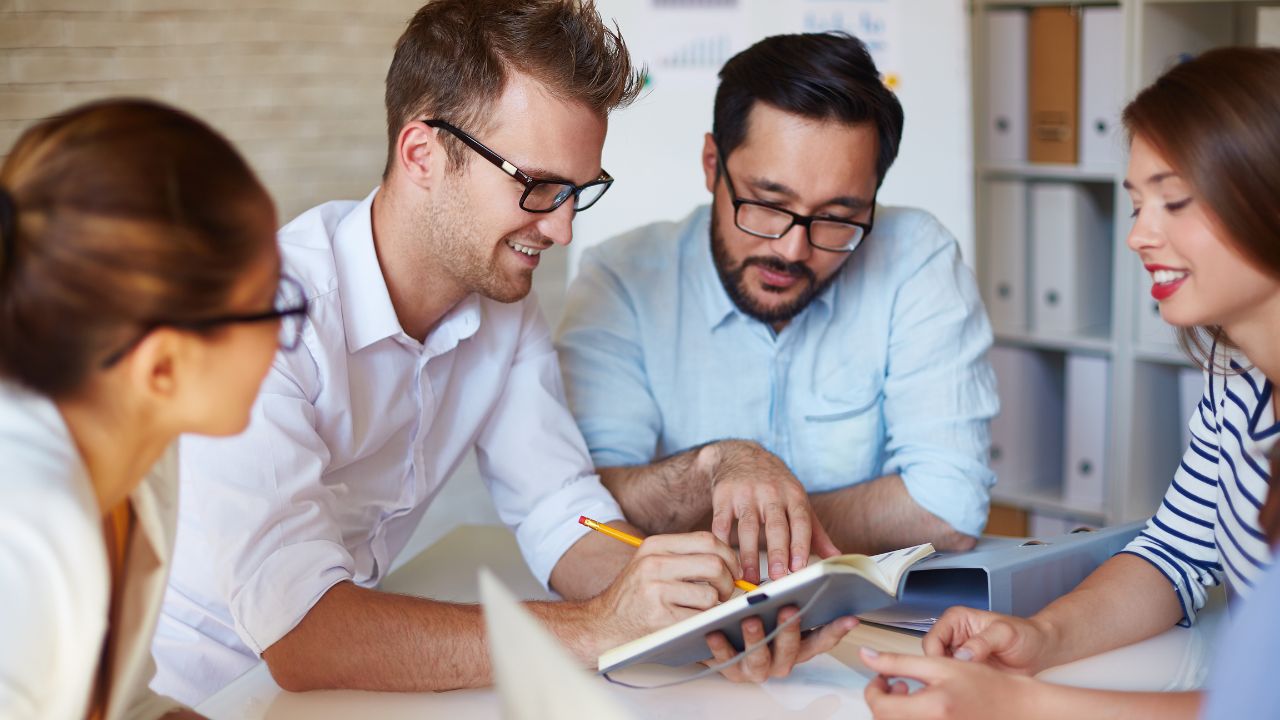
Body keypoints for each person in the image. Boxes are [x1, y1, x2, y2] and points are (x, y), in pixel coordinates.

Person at [151, 0, 856, 705]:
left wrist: (708, 609)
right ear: (422, 154)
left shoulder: (499, 305)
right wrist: (595, 626)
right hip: (182, 694)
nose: (563, 230)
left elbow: (559, 509)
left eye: (579, 192)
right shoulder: (256, 318)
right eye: (538, 188)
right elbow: (305, 639)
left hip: (329, 689)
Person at [857, 46, 1280, 719]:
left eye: (1174, 201)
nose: (1140, 235)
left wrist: (1020, 705)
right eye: (1138, 204)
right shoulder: (1238, 387)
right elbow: (1172, 555)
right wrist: (1039, 638)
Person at [556, 31, 997, 584]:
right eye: (768, 205)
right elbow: (594, 507)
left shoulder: (916, 257)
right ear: (712, 165)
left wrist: (758, 526)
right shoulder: (620, 279)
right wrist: (716, 468)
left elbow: (950, 505)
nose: (792, 250)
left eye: (838, 216)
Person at [0, 99, 295, 719]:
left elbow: (117, 704)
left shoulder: (139, 456)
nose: (285, 333)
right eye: (271, 303)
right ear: (162, 366)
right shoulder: (20, 544)